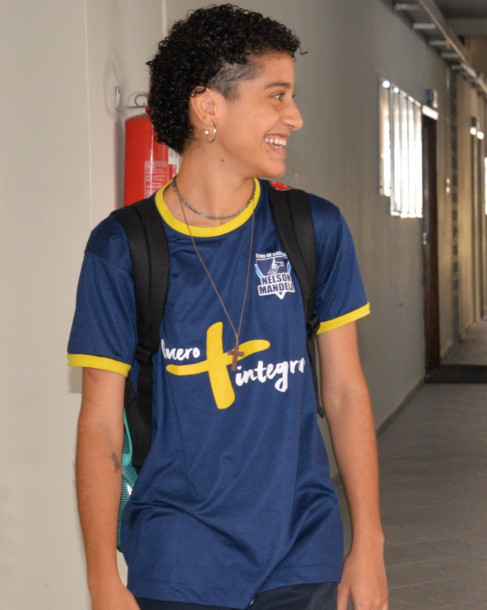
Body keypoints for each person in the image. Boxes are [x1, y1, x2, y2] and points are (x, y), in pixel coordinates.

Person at [69, 5, 387, 609]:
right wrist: (102, 579)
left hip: (302, 547)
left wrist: (366, 541)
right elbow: (102, 426)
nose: (294, 117)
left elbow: (345, 392)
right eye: (276, 96)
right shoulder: (124, 248)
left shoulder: (313, 228)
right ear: (208, 107)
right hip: (178, 557)